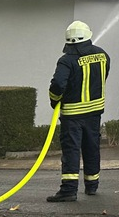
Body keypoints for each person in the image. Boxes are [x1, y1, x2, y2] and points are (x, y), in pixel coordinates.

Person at [46, 20, 111, 202]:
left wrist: (55, 99)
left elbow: (58, 84)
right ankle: (92, 185)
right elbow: (103, 75)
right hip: (95, 112)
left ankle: (68, 190)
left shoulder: (66, 60)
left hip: (73, 114)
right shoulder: (102, 55)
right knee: (92, 148)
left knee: (71, 150)